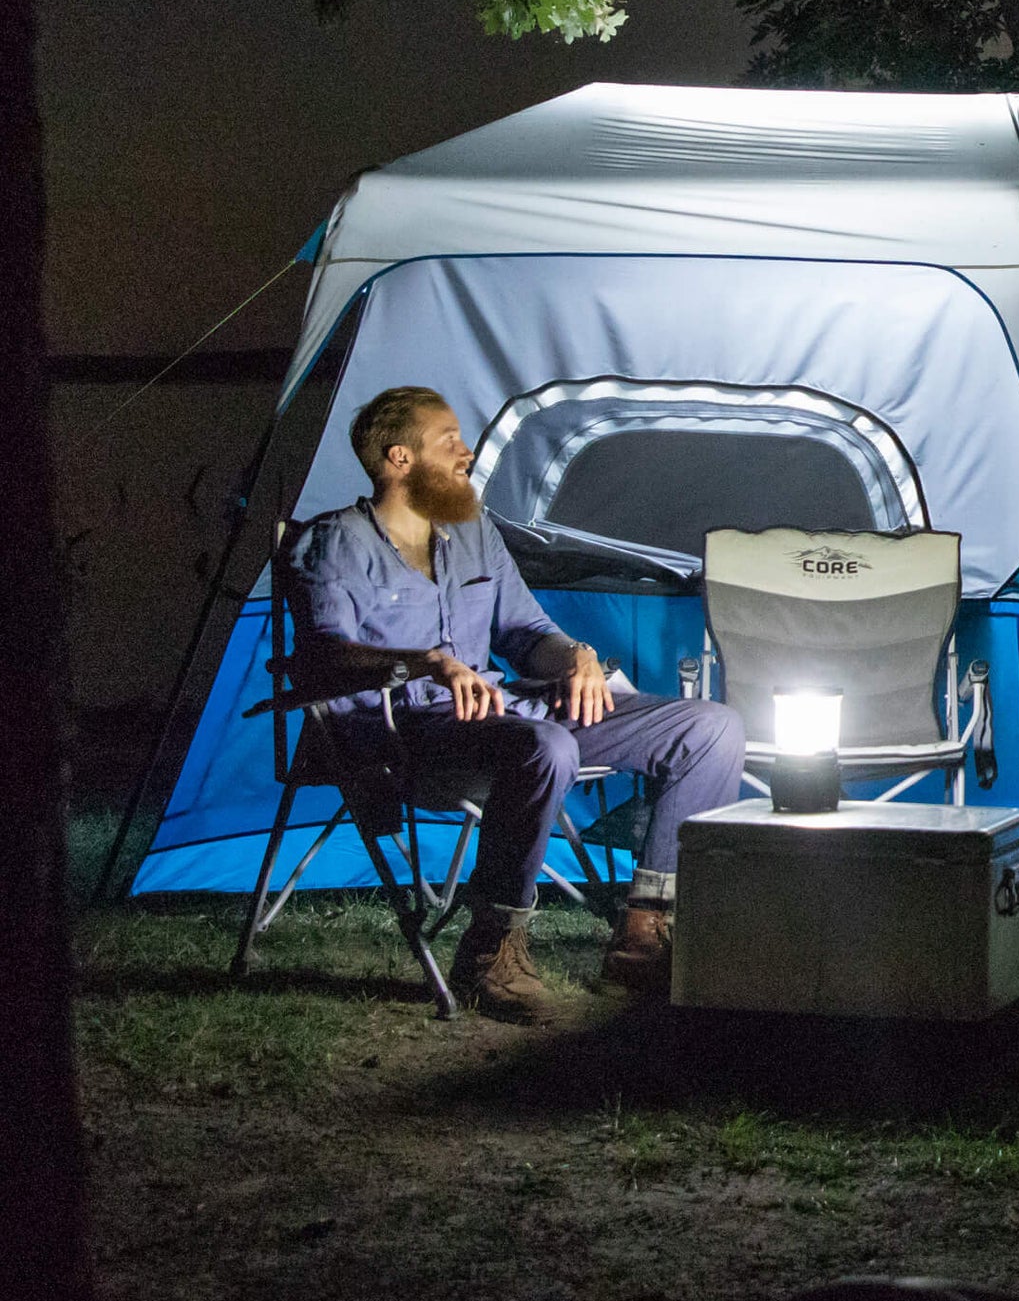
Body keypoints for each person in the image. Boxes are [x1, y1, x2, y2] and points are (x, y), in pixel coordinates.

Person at [286, 385, 746, 1022]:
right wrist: (424, 662)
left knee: (709, 727)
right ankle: (491, 947)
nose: (466, 451)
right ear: (398, 460)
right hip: (403, 729)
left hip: (501, 714)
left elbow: (528, 638)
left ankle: (645, 932)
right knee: (544, 745)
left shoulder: (473, 535)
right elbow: (321, 657)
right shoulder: (336, 541)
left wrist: (579, 656)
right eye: (447, 439)